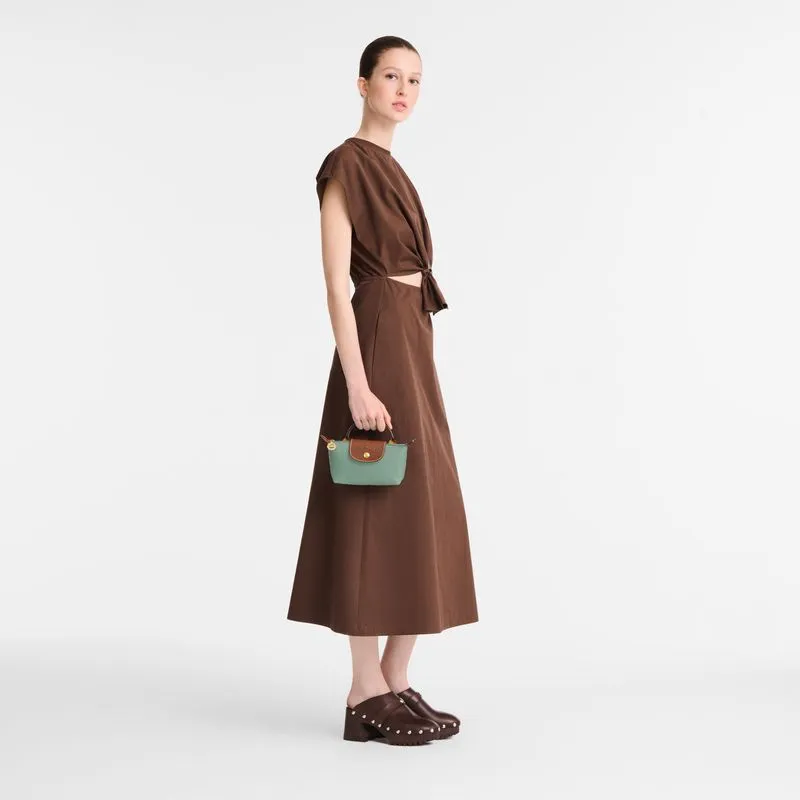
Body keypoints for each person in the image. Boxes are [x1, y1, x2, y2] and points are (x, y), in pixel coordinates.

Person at [286, 36, 479, 746]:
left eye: (415, 80)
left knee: (421, 502)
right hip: (374, 339)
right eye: (391, 76)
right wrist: (358, 384)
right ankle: (363, 685)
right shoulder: (346, 164)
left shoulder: (395, 168)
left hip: (411, 338)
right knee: (372, 502)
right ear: (362, 84)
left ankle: (394, 677)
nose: (403, 90)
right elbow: (336, 285)